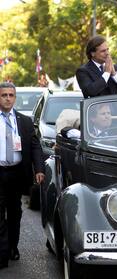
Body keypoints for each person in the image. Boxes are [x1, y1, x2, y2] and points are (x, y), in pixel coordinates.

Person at [0, 82, 45, 269]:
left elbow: (35, 146)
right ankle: (2, 254)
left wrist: (40, 169)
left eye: (11, 95)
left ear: (15, 98)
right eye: (4, 95)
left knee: (15, 213)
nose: (8, 98)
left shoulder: (24, 121)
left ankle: (12, 246)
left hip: (18, 173)